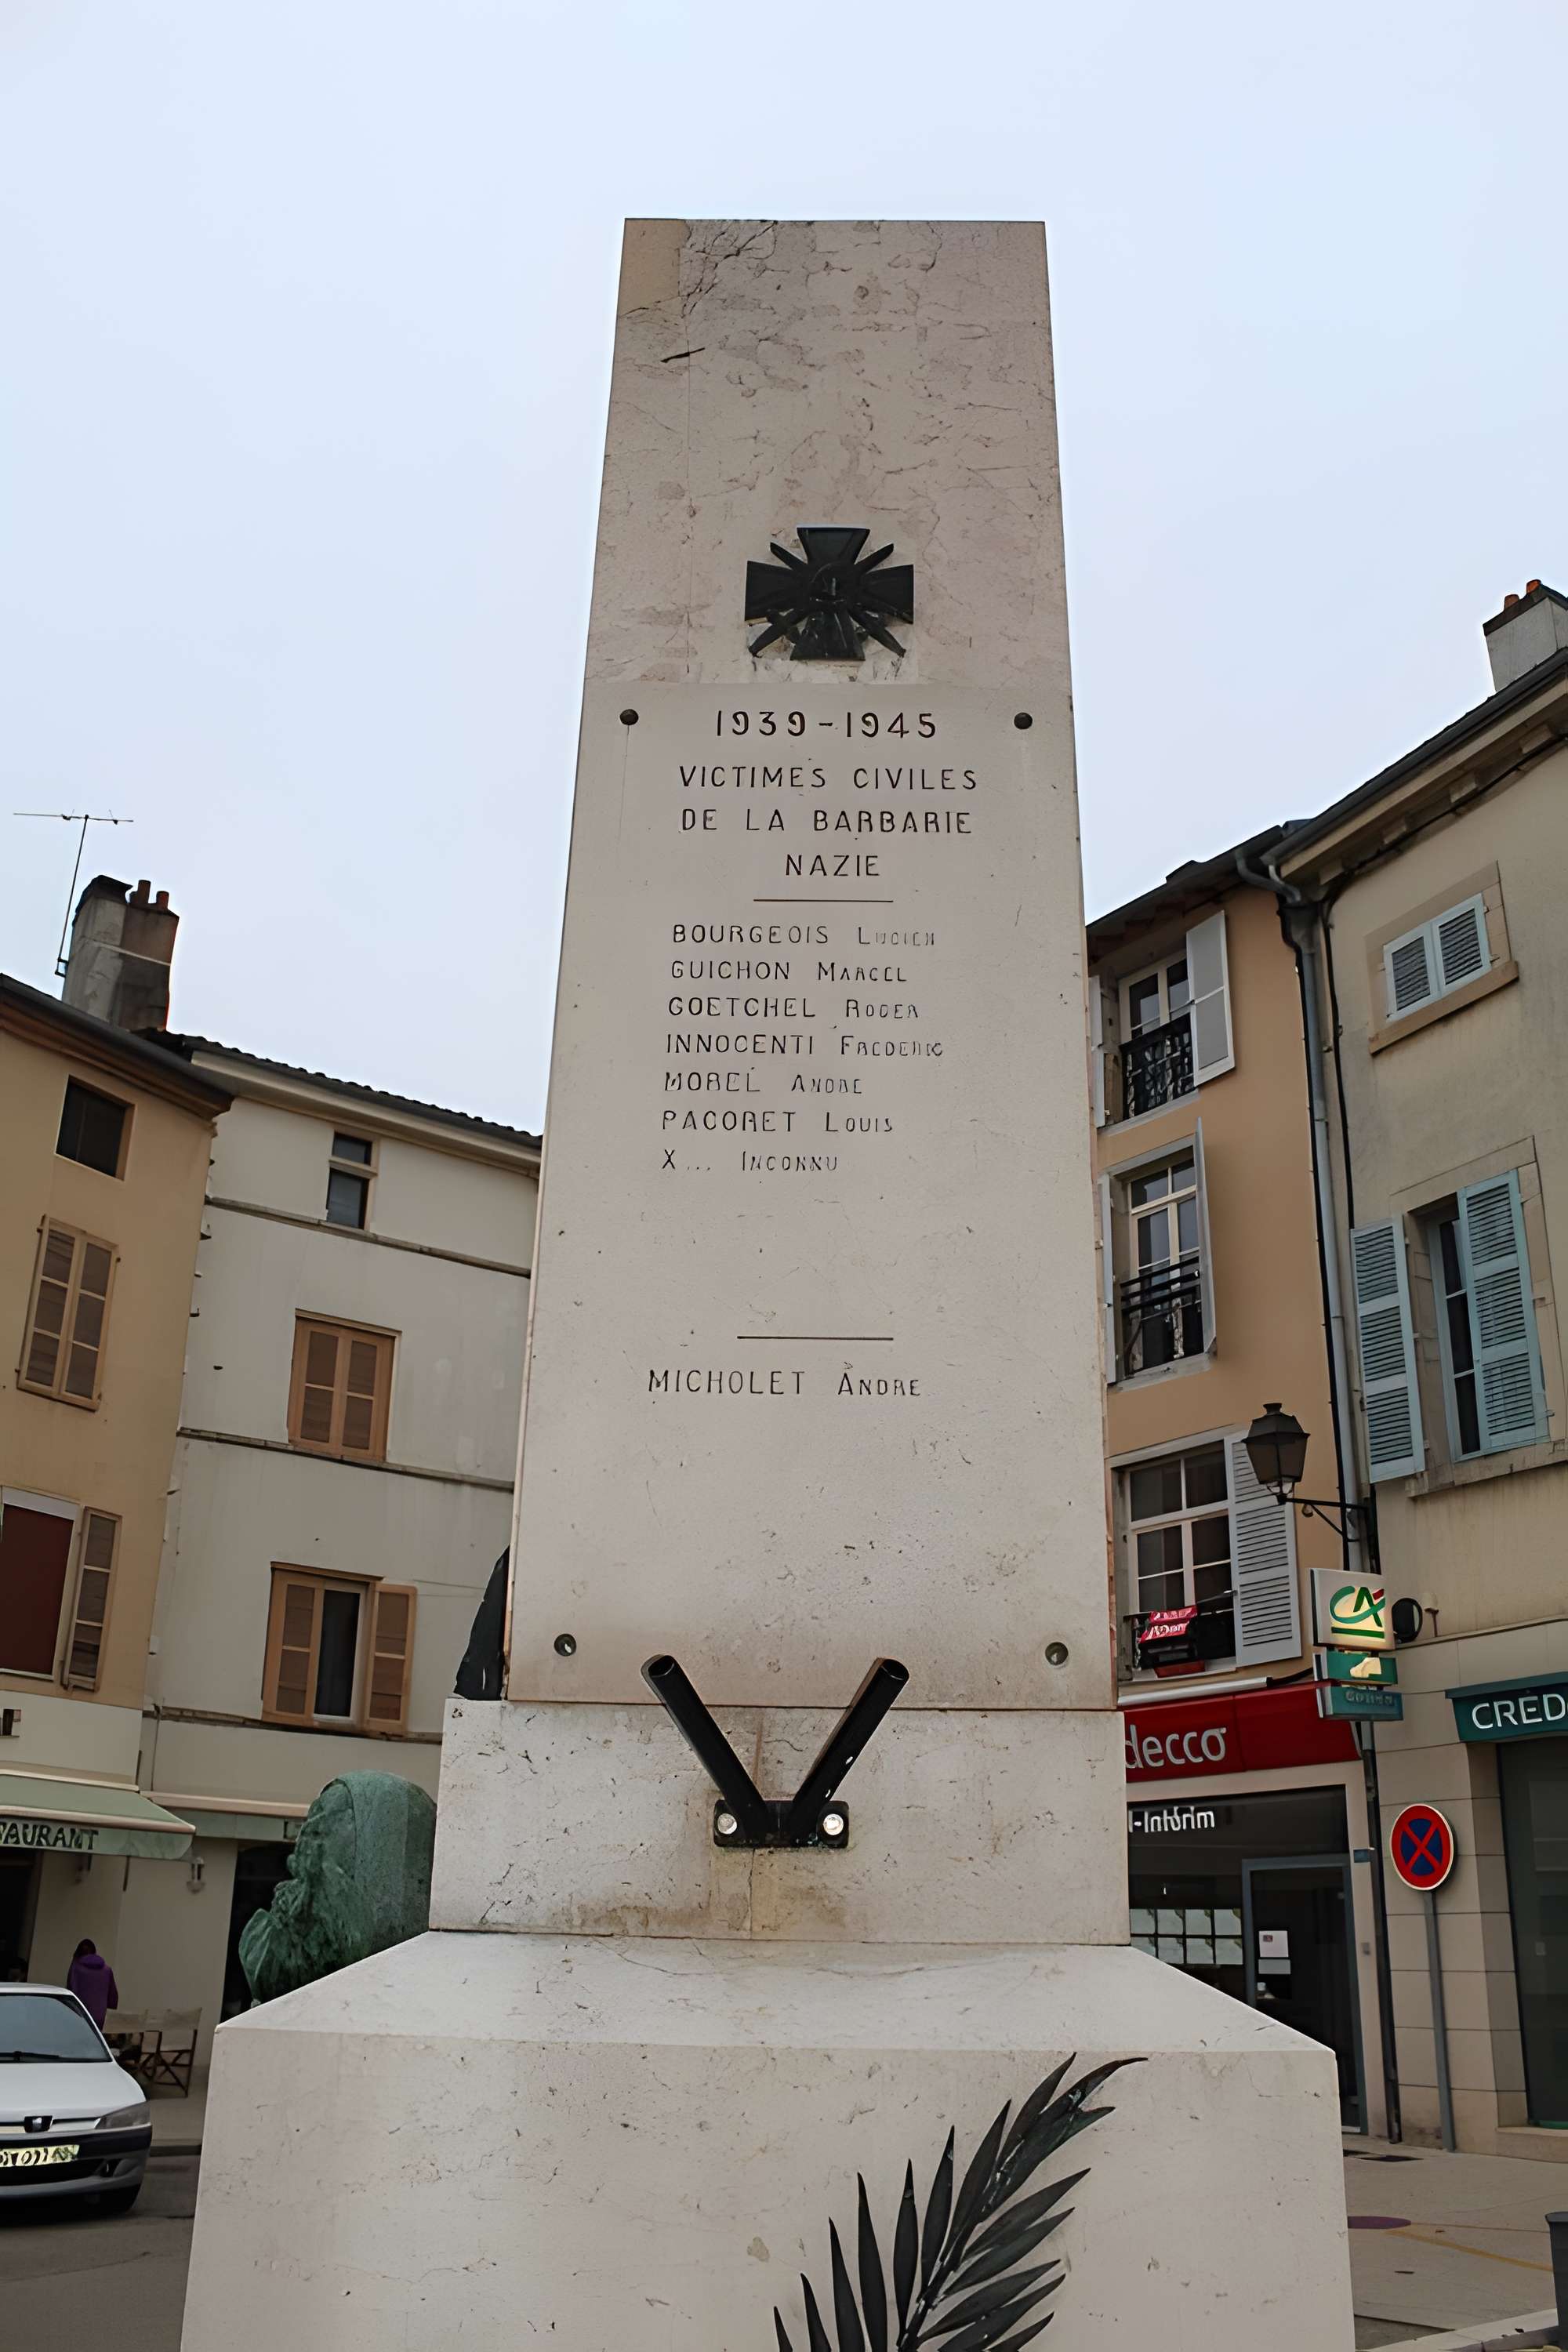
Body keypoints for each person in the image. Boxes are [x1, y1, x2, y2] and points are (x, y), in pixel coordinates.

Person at [66, 1937, 118, 2025]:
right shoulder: (107, 1970)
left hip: (81, 2016)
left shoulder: (76, 1968)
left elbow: (71, 1990)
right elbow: (113, 1996)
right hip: (100, 2017)